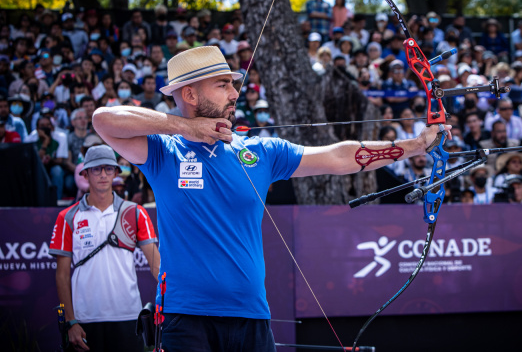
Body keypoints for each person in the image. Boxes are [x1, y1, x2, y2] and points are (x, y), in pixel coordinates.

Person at [92, 46, 451, 351]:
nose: (234, 93)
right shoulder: (162, 151)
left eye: (232, 84)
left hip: (250, 316)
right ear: (189, 94)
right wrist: (186, 128)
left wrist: (415, 146)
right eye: (223, 85)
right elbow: (103, 119)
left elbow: (339, 157)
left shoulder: (260, 151)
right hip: (185, 320)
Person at [49, 145, 160, 352]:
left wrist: (178, 299)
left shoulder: (136, 212)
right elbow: (62, 275)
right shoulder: (67, 217)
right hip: (84, 319)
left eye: (108, 169)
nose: (103, 174)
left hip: (128, 316)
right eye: (96, 169)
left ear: (117, 173)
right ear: (85, 174)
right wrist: (71, 322)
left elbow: (156, 266)